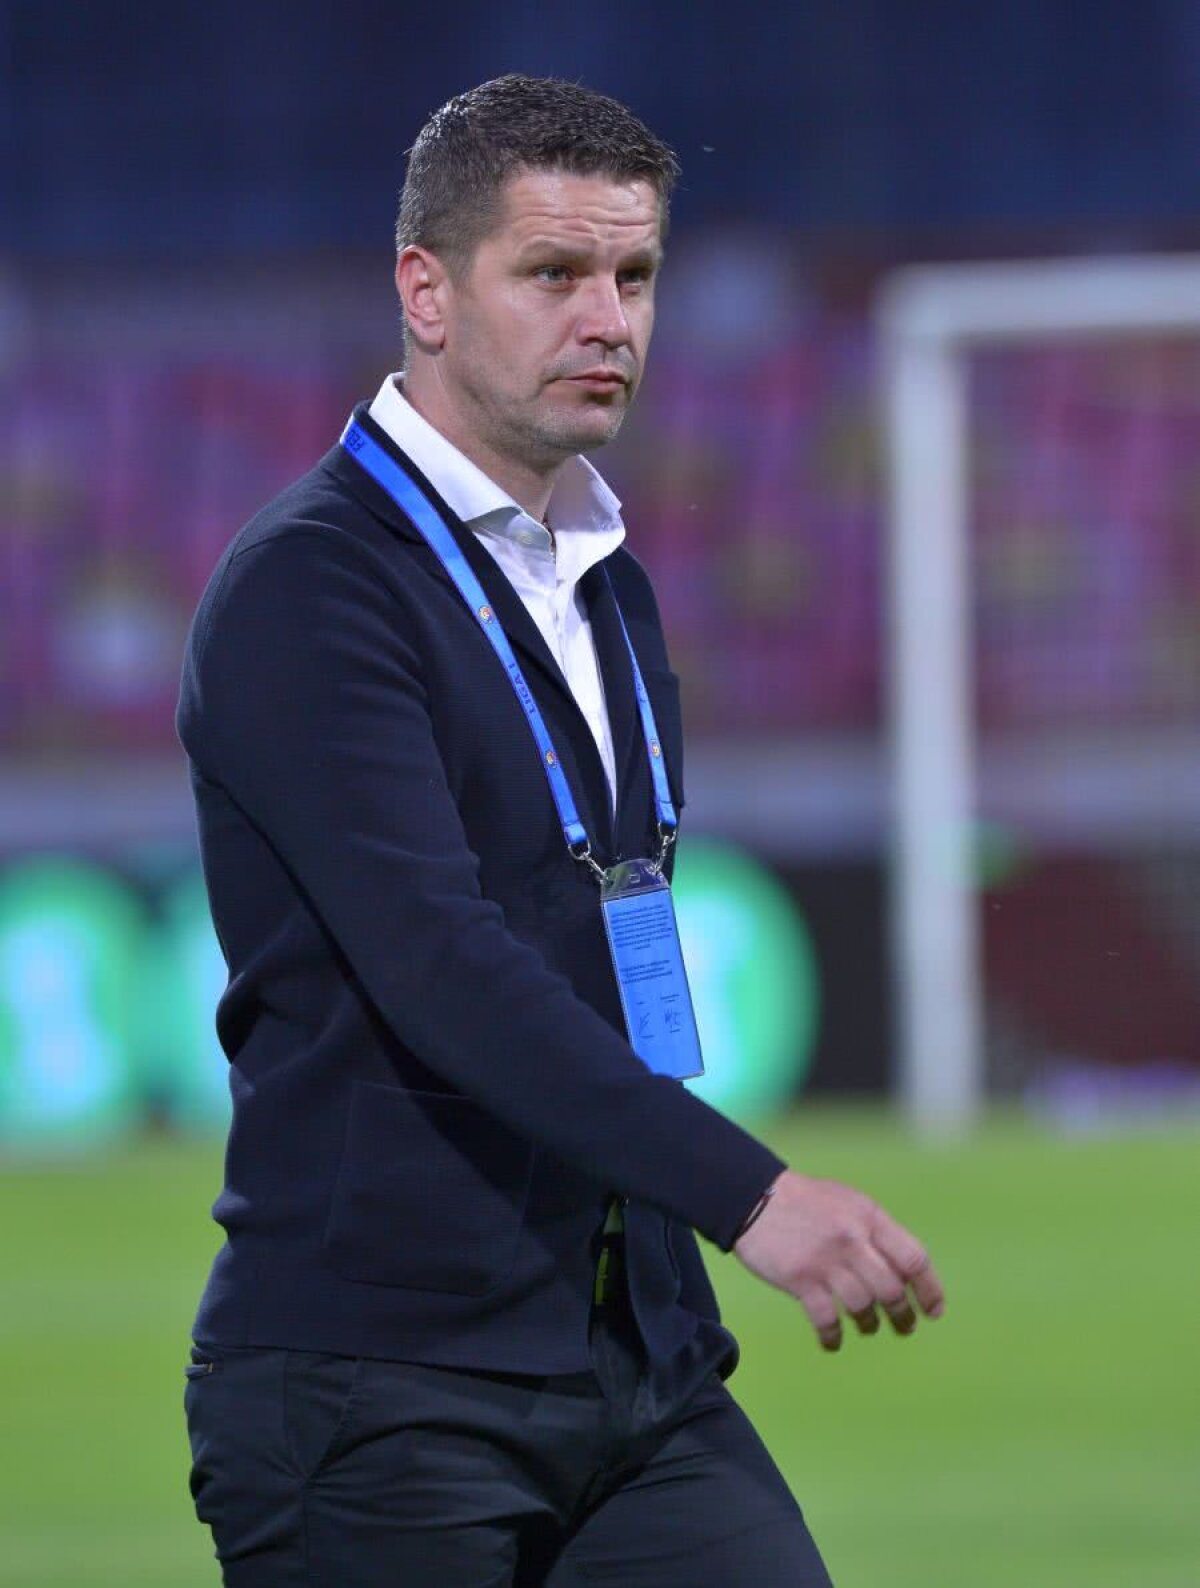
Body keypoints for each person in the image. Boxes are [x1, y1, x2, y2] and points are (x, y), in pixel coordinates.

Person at [178, 73, 944, 1587]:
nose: (608, 319)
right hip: (381, 1391)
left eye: (634, 276)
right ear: (427, 292)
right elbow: (442, 963)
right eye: (553, 273)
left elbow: (606, 918)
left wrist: (665, 1269)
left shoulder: (607, 578)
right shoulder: (309, 588)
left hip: (635, 1369)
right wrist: (749, 1195)